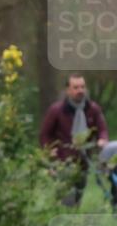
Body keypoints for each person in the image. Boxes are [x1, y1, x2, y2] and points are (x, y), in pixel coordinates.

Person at [39, 74, 110, 206]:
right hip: (62, 161)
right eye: (76, 87)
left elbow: (102, 129)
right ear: (68, 90)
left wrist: (102, 140)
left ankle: (73, 217)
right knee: (67, 198)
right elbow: (44, 134)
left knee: (78, 196)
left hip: (83, 161)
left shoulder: (93, 109)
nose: (80, 91)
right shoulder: (56, 110)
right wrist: (49, 150)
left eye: (82, 87)